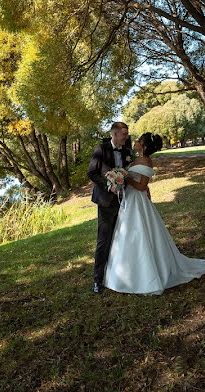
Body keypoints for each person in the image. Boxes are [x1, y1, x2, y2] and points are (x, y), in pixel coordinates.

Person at [103, 132, 205, 295]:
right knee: (127, 233)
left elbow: (142, 186)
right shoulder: (135, 159)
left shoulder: (146, 161)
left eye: (138, 141)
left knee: (141, 232)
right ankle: (125, 272)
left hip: (138, 201)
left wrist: (124, 178)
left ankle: (147, 274)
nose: (135, 142)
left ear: (143, 146)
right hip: (130, 199)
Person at [88, 121, 132, 293]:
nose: (126, 137)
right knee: (104, 240)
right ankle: (97, 280)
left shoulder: (128, 151)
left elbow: (130, 171)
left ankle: (119, 274)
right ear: (114, 134)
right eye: (124, 134)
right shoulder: (101, 149)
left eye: (127, 134)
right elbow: (91, 173)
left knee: (122, 238)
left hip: (125, 201)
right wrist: (108, 184)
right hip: (106, 202)